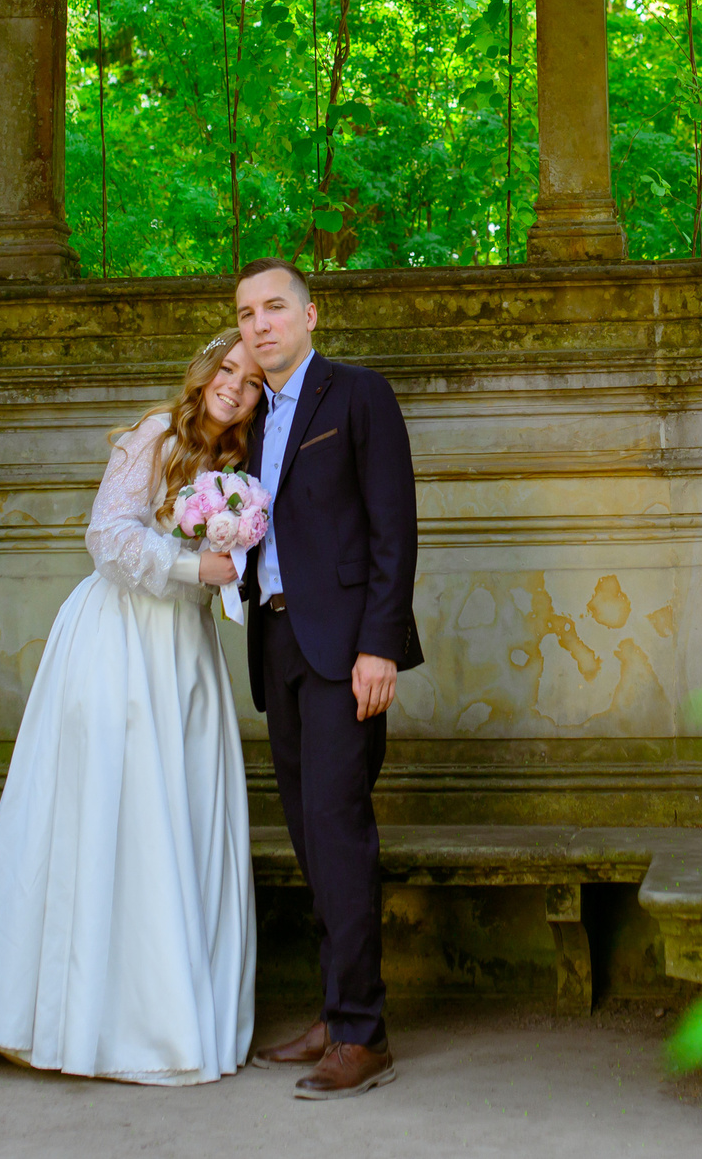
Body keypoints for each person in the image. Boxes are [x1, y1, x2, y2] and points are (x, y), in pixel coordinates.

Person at [0, 330, 264, 1085]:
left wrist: (229, 566)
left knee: (176, 815)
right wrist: (195, 563)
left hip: (183, 648)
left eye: (251, 382)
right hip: (116, 639)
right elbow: (106, 536)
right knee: (105, 811)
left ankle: (166, 1011)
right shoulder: (157, 433)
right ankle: (68, 1015)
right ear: (205, 371)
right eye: (227, 370)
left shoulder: (240, 468)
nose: (234, 387)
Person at [234, 258, 424, 1101]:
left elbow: (394, 525)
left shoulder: (358, 396)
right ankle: (332, 1007)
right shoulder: (248, 420)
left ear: (313, 314)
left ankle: (361, 1033)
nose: (260, 324)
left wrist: (379, 645)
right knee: (310, 837)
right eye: (245, 314)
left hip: (347, 650)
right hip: (277, 645)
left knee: (338, 829)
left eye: (275, 307)